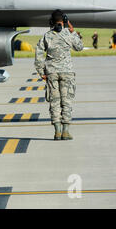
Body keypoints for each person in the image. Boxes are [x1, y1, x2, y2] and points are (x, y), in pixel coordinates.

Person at [35, 10, 84, 140]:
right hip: (67, 72)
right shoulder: (68, 34)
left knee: (54, 102)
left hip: (51, 72)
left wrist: (41, 71)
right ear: (65, 21)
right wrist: (73, 32)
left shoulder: (47, 36)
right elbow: (79, 47)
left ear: (51, 21)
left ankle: (57, 132)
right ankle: (66, 132)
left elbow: (39, 53)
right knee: (66, 101)